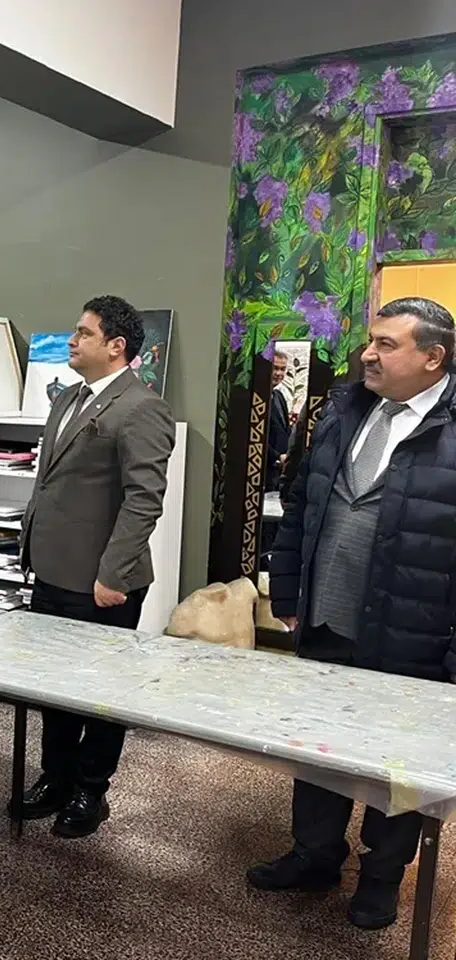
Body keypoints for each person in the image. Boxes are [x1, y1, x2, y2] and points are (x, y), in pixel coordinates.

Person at [248, 296, 456, 931]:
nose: (368, 354)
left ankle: (381, 878)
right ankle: (314, 855)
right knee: (318, 748)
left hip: (412, 635)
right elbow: (302, 504)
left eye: (387, 344)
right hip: (325, 619)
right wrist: (287, 593)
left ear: (433, 357)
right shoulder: (344, 411)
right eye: (371, 340)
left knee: (396, 764)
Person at [15, 294, 176, 838]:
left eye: (83, 333)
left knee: (102, 692)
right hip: (53, 571)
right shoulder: (67, 399)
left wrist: (112, 573)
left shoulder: (142, 407)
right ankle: (56, 777)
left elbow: (143, 500)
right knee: (54, 687)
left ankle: (91, 790)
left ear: (115, 346)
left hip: (103, 581)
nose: (72, 340)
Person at [266, 349, 292, 492]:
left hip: (278, 472)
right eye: (275, 368)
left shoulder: (278, 396)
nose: (279, 373)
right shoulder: (256, 400)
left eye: (282, 369)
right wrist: (276, 456)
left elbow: (285, 430)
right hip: (261, 469)